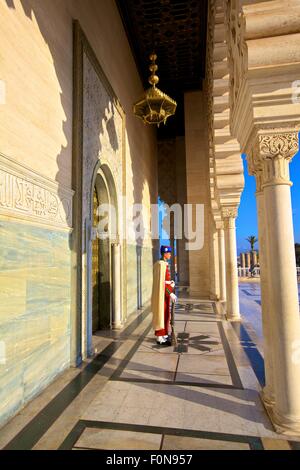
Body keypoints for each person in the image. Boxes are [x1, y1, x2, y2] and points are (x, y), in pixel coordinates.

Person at [151, 245, 177, 345]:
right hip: (162, 295)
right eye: (169, 253)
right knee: (161, 314)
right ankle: (160, 337)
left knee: (166, 314)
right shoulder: (161, 265)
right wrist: (170, 293)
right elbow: (162, 283)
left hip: (164, 295)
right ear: (165, 254)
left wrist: (170, 283)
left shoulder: (162, 264)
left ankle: (164, 333)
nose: (170, 255)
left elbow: (164, 281)